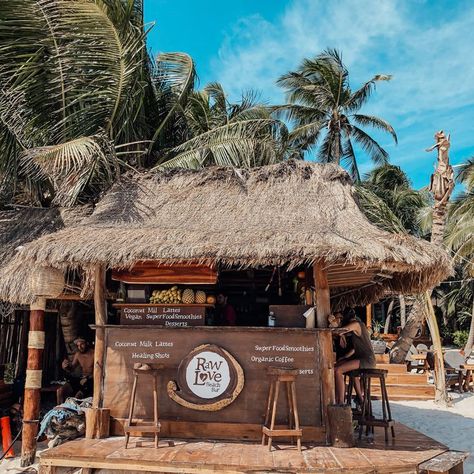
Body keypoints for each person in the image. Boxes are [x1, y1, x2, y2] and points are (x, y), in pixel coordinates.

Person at [334, 308, 376, 404]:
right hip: (360, 358)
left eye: (341, 318)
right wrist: (342, 335)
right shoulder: (357, 326)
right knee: (335, 367)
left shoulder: (356, 324)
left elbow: (340, 330)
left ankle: (340, 403)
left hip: (366, 360)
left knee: (338, 370)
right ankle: (337, 398)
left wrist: (339, 331)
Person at [58, 338, 94, 403]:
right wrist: (65, 367)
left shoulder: (94, 353)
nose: (80, 347)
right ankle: (59, 410)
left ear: (87, 343)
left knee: (78, 396)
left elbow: (100, 371)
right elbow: (71, 369)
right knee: (60, 391)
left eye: (82, 344)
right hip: (82, 378)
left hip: (91, 380)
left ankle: (75, 410)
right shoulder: (78, 355)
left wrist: (87, 378)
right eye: (78, 345)